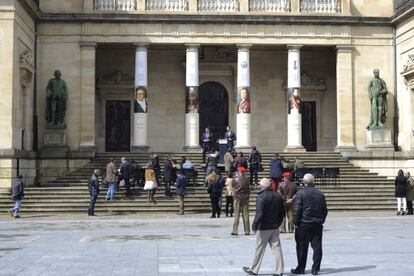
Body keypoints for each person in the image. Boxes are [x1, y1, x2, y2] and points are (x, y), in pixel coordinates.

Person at [242, 178, 285, 276]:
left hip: (264, 227)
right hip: (274, 226)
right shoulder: (278, 196)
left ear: (262, 186)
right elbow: (282, 213)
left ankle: (254, 269)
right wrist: (277, 223)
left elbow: (259, 213)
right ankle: (279, 271)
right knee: (277, 248)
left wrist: (254, 226)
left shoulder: (261, 196)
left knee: (259, 248)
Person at [291, 173, 328, 275]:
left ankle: (301, 268)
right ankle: (315, 268)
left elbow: (297, 210)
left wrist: (296, 222)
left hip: (304, 224)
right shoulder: (320, 193)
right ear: (313, 182)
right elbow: (325, 210)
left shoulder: (300, 193)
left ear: (304, 182)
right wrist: (321, 220)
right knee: (317, 247)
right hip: (317, 224)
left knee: (302, 247)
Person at [231, 167, 251, 235]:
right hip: (245, 198)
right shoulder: (247, 179)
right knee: (246, 214)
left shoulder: (235, 179)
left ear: (239, 172)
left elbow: (233, 188)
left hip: (237, 198)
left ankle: (235, 230)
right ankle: (247, 230)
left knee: (237, 214)